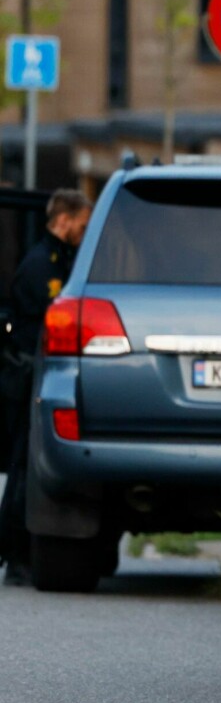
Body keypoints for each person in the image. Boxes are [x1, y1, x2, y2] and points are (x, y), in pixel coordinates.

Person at [0, 189, 92, 586]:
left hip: (39, 378)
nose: (84, 232)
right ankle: (15, 552)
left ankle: (20, 551)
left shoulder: (62, 260)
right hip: (26, 380)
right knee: (24, 468)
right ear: (65, 219)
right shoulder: (41, 266)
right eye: (82, 225)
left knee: (29, 466)